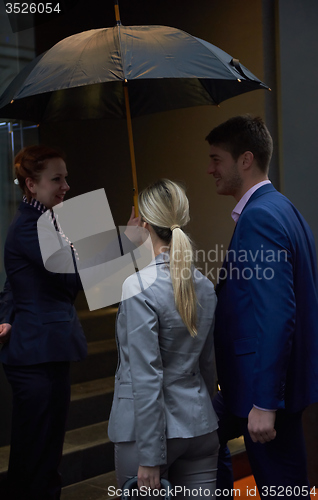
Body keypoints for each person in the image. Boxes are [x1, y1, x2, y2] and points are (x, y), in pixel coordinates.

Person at [0, 145, 139, 500]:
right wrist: (126, 241)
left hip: (46, 350)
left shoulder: (48, 223)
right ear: (31, 184)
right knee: (36, 455)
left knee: (45, 451)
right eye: (57, 179)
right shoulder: (32, 227)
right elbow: (73, 280)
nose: (66, 186)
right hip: (35, 355)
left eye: (66, 177)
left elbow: (16, 281)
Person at [205, 115, 318, 498]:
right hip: (260, 385)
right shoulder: (283, 208)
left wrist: (266, 402)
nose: (210, 169)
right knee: (207, 438)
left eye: (216, 159)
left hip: (265, 390)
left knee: (283, 489)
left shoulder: (259, 217)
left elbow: (277, 312)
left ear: (245, 160)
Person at [108, 179, 219, 497]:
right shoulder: (205, 286)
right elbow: (208, 366)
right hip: (199, 426)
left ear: (143, 224)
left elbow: (146, 377)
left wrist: (151, 456)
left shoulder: (137, 286)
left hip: (147, 437)